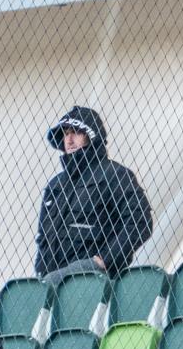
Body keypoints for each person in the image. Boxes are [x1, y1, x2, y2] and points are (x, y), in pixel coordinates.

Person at [35, 106, 154, 282]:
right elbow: (43, 237)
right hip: (52, 281)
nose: (69, 140)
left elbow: (140, 221)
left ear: (91, 136)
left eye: (76, 132)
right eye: (66, 134)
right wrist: (40, 274)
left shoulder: (115, 175)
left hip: (93, 280)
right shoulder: (56, 185)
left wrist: (103, 260)